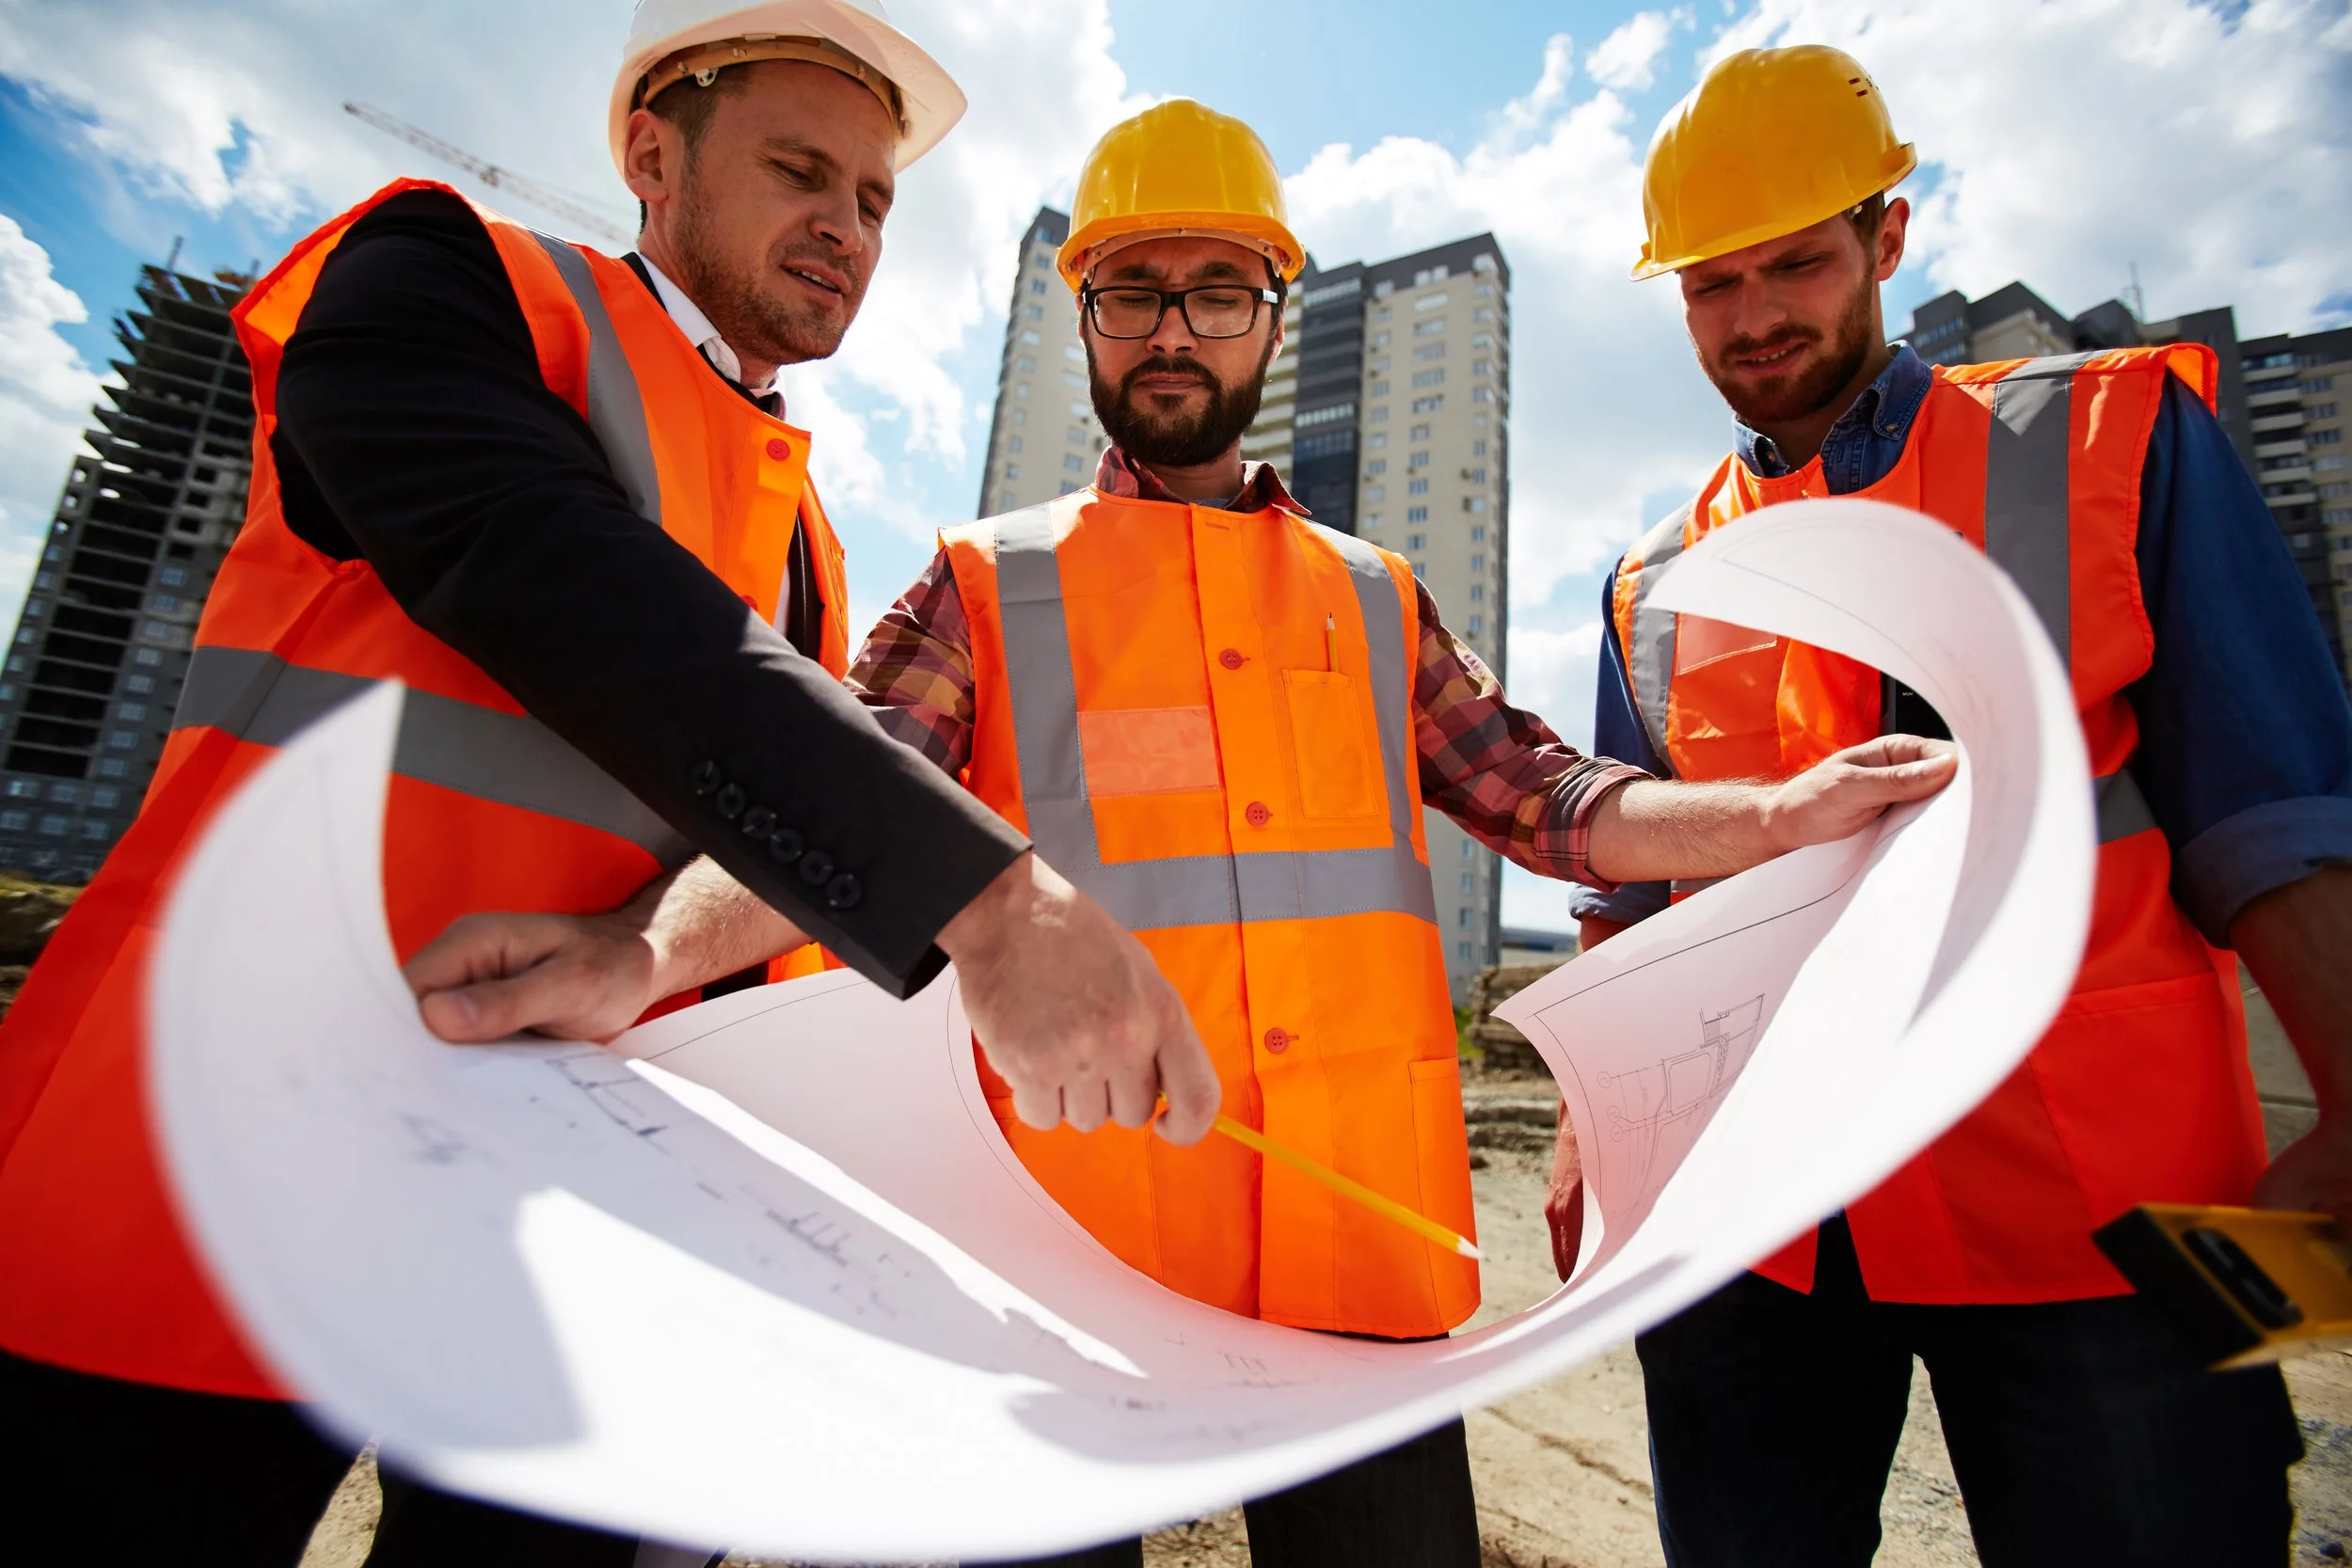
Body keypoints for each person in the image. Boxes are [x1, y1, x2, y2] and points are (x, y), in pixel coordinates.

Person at [428, 99, 1954, 1567]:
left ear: (1272, 321)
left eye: (1216, 294)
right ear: (1084, 318)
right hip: (1052, 1265)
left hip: (1355, 1258)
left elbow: (1552, 801)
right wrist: (645, 948)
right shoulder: (987, 583)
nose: (1172, 330)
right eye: (1132, 292)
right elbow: (826, 815)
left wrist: (1765, 814)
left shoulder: (1374, 596)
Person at [0, 3, 1216, 1563]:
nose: (843, 226)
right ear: (652, 153)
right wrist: (986, 895)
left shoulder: (803, 534)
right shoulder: (444, 280)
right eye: (799, 168)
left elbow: (732, 821)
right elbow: (538, 560)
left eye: (873, 200)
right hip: (219, 1149)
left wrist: (645, 947)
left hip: (567, 1231)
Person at [1551, 43, 2352, 1567]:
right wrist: (1599, 1145)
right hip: (1757, 1226)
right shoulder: (1652, 583)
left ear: (1889, 239)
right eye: (1712, 283)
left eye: (1796, 263)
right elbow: (1630, 899)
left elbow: (2281, 807)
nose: (1756, 315)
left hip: (2098, 1219)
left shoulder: (2106, 444)